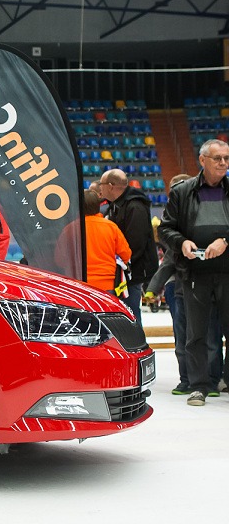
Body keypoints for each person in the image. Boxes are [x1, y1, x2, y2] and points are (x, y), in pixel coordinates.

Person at [158, 139, 229, 406]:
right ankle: (199, 386)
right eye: (217, 158)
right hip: (195, 273)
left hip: (227, 272)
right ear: (202, 160)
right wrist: (181, 242)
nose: (223, 163)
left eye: (226, 158)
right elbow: (165, 229)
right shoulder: (182, 191)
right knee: (196, 333)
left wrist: (225, 240)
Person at [147, 174, 224, 396]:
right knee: (187, 338)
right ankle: (189, 380)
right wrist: (153, 287)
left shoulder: (198, 220)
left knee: (208, 336)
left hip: (204, 285)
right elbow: (169, 260)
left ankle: (211, 379)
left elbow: (168, 261)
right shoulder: (178, 228)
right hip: (181, 289)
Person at [99, 168, 158, 328]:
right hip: (123, 270)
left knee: (130, 315)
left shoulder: (134, 206)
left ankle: (136, 342)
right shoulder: (116, 205)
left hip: (131, 272)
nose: (100, 188)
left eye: (102, 184)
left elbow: (136, 243)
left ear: (110, 186)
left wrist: (121, 264)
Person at [82, 189, 131, 294]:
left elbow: (59, 259)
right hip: (107, 284)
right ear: (98, 206)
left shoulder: (71, 228)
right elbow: (126, 254)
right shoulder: (111, 227)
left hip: (79, 284)